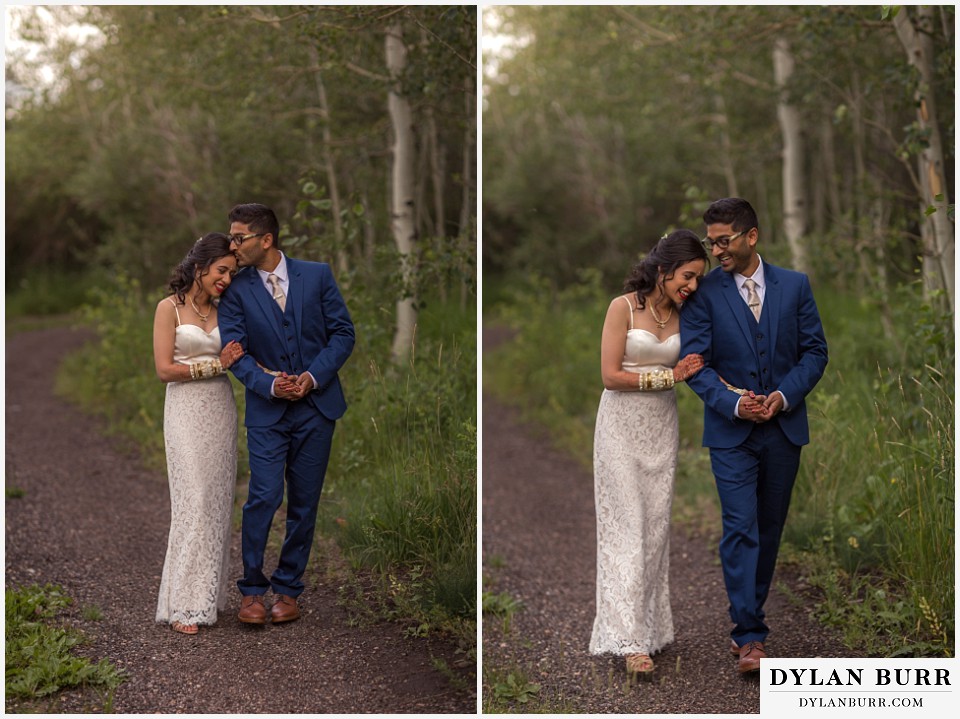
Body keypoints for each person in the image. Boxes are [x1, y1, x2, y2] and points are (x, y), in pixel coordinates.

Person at [679, 197, 828, 674]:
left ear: (751, 236)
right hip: (730, 434)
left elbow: (815, 353)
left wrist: (782, 397)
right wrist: (736, 404)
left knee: (767, 530)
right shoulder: (704, 295)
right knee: (740, 529)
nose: (716, 250)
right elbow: (696, 366)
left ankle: (751, 618)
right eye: (711, 241)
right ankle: (749, 636)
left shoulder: (795, 286)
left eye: (723, 240)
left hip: (784, 429)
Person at [217, 202, 355, 625]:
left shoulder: (317, 275)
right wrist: (272, 384)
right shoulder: (236, 290)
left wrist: (312, 377)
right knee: (263, 496)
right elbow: (236, 354)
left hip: (317, 407)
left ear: (266, 239)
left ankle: (289, 588)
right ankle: (253, 590)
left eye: (239, 238)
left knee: (304, 501)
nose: (232, 245)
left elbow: (343, 333)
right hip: (267, 413)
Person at [589, 230, 708, 678]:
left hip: (661, 429)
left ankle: (651, 629)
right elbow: (609, 375)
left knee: (655, 529)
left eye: (698, 279)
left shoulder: (687, 313)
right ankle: (630, 641)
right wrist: (667, 377)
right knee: (628, 527)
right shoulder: (622, 308)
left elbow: (698, 364)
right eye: (687, 276)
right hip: (619, 426)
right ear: (663, 270)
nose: (692, 286)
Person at [153, 233, 245, 635]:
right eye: (221, 270)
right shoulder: (168, 309)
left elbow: (242, 355)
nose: (226, 279)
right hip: (185, 411)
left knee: (218, 502)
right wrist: (215, 365)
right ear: (199, 267)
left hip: (220, 410)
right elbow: (164, 370)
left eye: (232, 272)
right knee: (195, 499)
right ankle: (183, 604)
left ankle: (205, 595)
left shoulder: (228, 310)